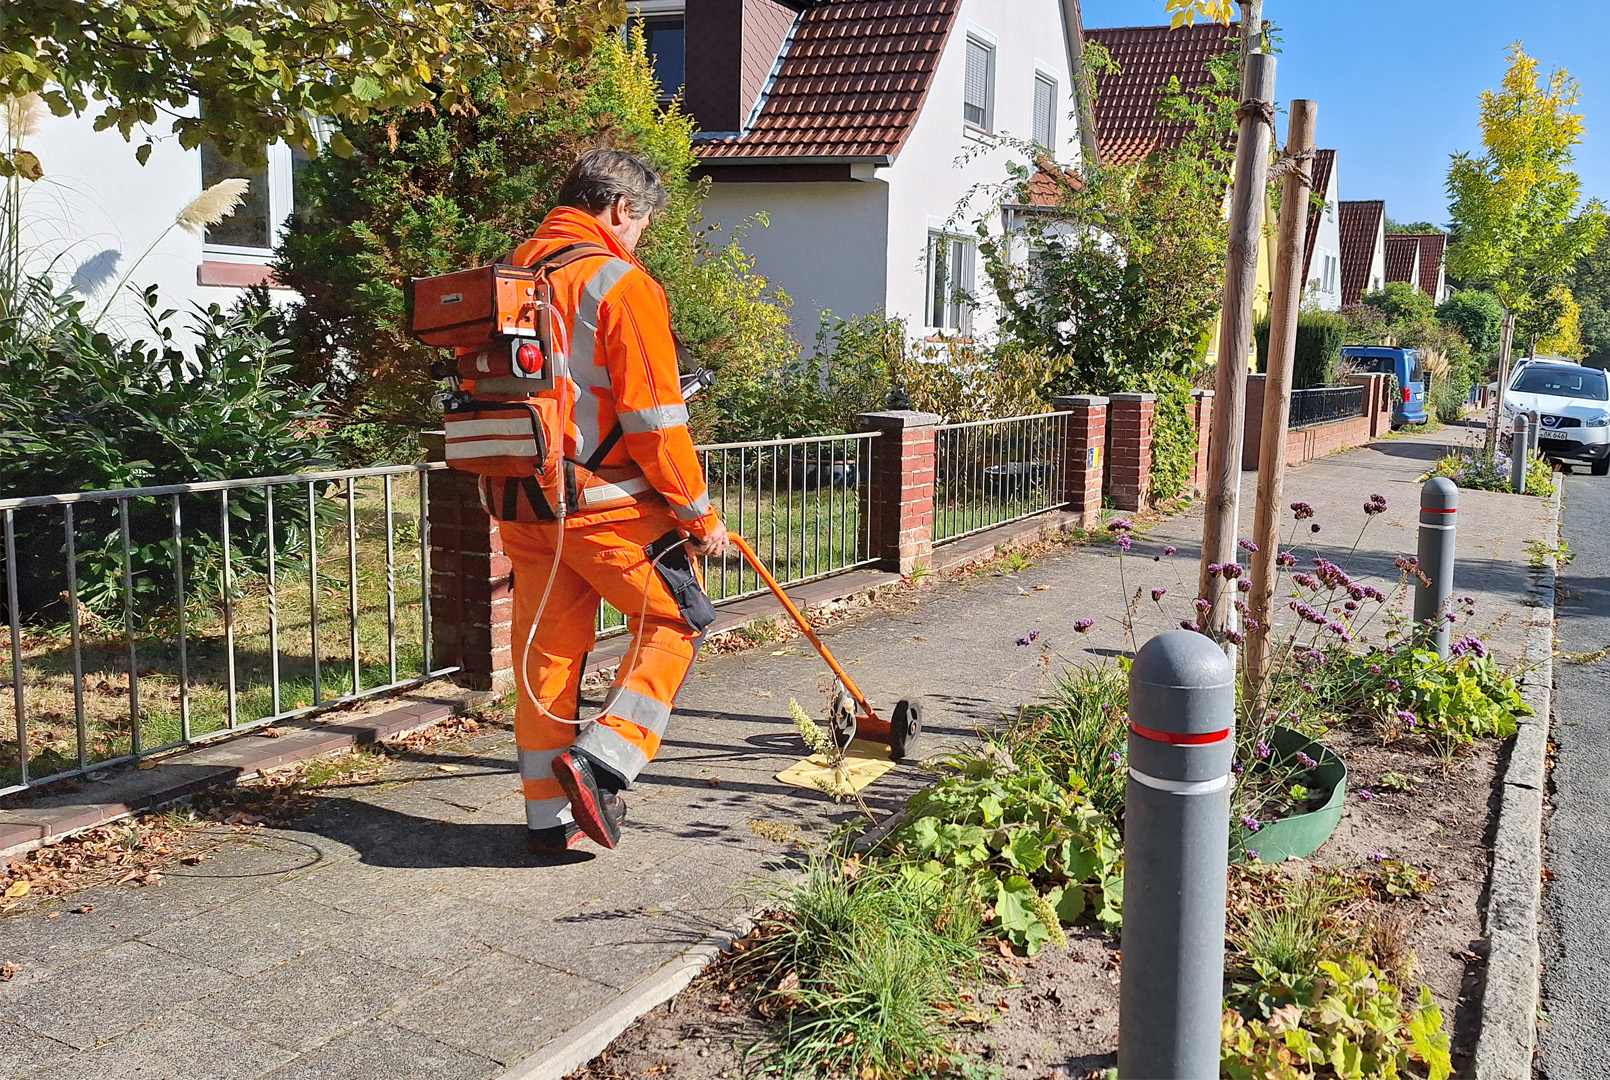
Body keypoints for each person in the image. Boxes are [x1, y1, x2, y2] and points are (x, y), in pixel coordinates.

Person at [491, 148, 729, 854]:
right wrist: (697, 514)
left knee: (549, 659)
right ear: (621, 209)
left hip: (522, 504)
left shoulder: (511, 273)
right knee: (678, 620)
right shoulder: (619, 285)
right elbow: (655, 420)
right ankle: (607, 757)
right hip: (608, 511)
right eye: (642, 226)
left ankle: (546, 824)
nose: (638, 240)